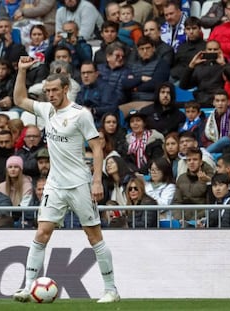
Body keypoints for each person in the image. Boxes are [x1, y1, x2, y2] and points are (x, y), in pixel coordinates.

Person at [12, 56, 120, 303]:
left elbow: (97, 148)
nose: (50, 94)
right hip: (55, 184)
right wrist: (21, 71)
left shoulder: (80, 114)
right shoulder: (45, 110)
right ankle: (29, 287)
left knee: (94, 236)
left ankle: (111, 289)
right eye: (47, 90)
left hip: (80, 183)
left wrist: (95, 180)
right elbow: (18, 99)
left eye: (54, 90)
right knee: (42, 233)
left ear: (65, 89)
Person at [172, 147, 214, 225]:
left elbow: (210, 204)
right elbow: (177, 202)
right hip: (183, 219)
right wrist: (179, 219)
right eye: (189, 160)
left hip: (201, 220)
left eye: (195, 159)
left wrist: (206, 182)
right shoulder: (181, 178)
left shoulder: (210, 178)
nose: (191, 162)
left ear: (201, 162)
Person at [179, 40, 226, 107]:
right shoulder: (199, 66)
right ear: (205, 51)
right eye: (210, 49)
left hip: (217, 101)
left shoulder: (225, 65)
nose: (212, 51)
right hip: (200, 100)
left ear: (220, 51)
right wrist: (191, 65)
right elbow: (183, 86)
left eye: (215, 49)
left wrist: (223, 64)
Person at [122, 36, 170, 102]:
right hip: (133, 102)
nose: (145, 51)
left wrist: (135, 87)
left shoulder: (161, 64)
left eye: (148, 48)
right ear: (138, 51)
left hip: (151, 102)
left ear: (153, 48)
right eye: (142, 49)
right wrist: (141, 79)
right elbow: (125, 83)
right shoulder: (133, 65)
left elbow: (156, 84)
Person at [76, 61, 121, 127]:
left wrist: (94, 110)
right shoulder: (82, 89)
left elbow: (111, 109)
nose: (85, 75)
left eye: (89, 72)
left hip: (101, 125)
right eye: (83, 73)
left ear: (96, 74)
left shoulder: (106, 88)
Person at [126, 109, 164, 174]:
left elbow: (156, 159)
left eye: (138, 120)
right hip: (134, 175)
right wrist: (135, 172)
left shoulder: (155, 138)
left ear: (144, 123)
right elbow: (126, 161)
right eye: (132, 121)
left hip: (153, 173)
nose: (135, 123)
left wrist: (141, 172)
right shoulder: (126, 140)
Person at [170, 16, 206, 83]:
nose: (191, 32)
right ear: (185, 30)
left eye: (194, 28)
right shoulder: (181, 47)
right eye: (188, 29)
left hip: (194, 79)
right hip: (175, 76)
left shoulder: (206, 47)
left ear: (200, 29)